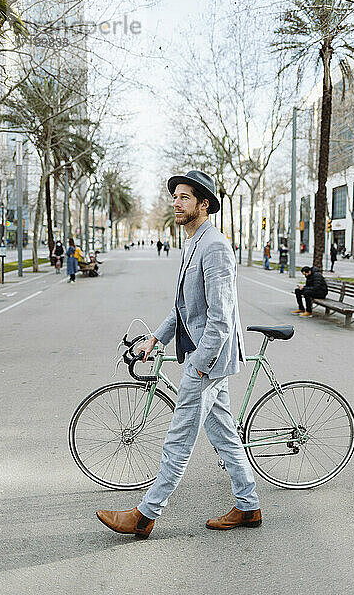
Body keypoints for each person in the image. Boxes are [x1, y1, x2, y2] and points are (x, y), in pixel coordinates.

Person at [97, 169, 261, 538]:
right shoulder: (193, 243)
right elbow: (184, 308)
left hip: (208, 361)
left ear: (204, 205)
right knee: (224, 435)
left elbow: (220, 318)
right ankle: (248, 505)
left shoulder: (215, 246)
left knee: (178, 437)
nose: (176, 202)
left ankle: (145, 514)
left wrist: (200, 367)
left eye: (185, 197)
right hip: (205, 359)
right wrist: (154, 339)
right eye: (176, 196)